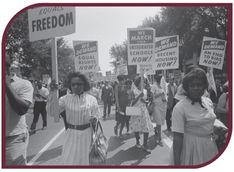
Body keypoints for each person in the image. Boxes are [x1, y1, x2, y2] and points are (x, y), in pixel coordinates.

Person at [50, 72, 101, 165]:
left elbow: (97, 115)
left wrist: (94, 119)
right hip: (71, 135)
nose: (76, 86)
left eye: (79, 84)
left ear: (84, 85)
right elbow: (53, 112)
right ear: (70, 85)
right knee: (70, 160)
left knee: (86, 161)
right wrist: (52, 93)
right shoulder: (64, 99)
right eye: (73, 84)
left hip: (87, 135)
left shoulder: (91, 99)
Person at [172, 68, 218, 165]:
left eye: (199, 85)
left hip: (210, 147)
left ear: (204, 86)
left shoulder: (208, 102)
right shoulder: (180, 107)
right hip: (191, 149)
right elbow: (177, 138)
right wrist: (176, 164)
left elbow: (210, 122)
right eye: (192, 85)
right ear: (187, 88)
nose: (196, 88)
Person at [5, 56, 34, 165]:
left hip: (12, 140)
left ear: (7, 68)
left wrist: (7, 85)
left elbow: (22, 109)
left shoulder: (23, 84)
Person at [129, 77, 154, 153]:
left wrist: (145, 101)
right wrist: (139, 96)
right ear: (139, 82)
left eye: (145, 82)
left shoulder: (145, 91)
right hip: (136, 111)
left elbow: (143, 100)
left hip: (144, 111)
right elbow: (132, 103)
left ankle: (145, 145)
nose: (144, 83)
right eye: (143, 82)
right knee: (136, 127)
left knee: (146, 128)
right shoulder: (133, 91)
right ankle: (137, 141)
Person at [151, 74, 167, 146]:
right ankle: (160, 139)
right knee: (159, 122)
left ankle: (156, 129)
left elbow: (164, 95)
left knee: (160, 121)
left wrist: (164, 99)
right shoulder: (154, 86)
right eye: (161, 79)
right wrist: (160, 94)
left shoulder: (162, 86)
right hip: (156, 106)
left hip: (162, 105)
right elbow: (152, 96)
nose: (162, 80)